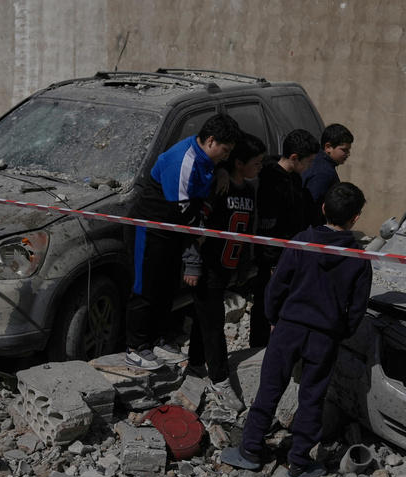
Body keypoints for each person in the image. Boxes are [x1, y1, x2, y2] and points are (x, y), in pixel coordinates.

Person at [221, 182, 372, 477]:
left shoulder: (302, 241)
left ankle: (250, 450)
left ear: (323, 208)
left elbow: (276, 287)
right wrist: (339, 332)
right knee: (312, 396)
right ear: (355, 219)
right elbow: (357, 309)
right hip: (324, 336)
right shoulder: (359, 259)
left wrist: (274, 317)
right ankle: (299, 462)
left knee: (269, 389)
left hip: (288, 328)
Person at [125, 113, 242, 370]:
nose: (227, 156)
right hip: (150, 228)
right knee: (145, 289)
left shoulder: (206, 156)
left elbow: (191, 209)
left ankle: (158, 339)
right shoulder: (183, 161)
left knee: (166, 288)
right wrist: (199, 237)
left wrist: (222, 167)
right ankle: (135, 347)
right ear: (211, 141)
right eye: (225, 151)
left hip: (174, 231)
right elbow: (185, 212)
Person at [183, 132, 266, 410]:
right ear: (238, 162)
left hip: (228, 266)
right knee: (214, 324)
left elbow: (246, 231)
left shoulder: (249, 190)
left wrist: (243, 267)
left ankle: (195, 364)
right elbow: (196, 226)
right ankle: (220, 382)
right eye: (256, 162)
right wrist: (193, 264)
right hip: (208, 267)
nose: (260, 167)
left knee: (204, 320)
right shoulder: (218, 186)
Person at [250, 128, 319, 347]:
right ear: (294, 157)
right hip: (274, 255)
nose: (311, 166)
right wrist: (272, 261)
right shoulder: (272, 181)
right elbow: (267, 225)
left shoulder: (295, 179)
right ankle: (260, 344)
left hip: (291, 251)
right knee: (266, 299)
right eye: (309, 161)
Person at [302, 123, 354, 226]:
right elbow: (313, 206)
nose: (348, 154)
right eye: (344, 150)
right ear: (328, 147)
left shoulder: (318, 162)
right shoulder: (324, 172)